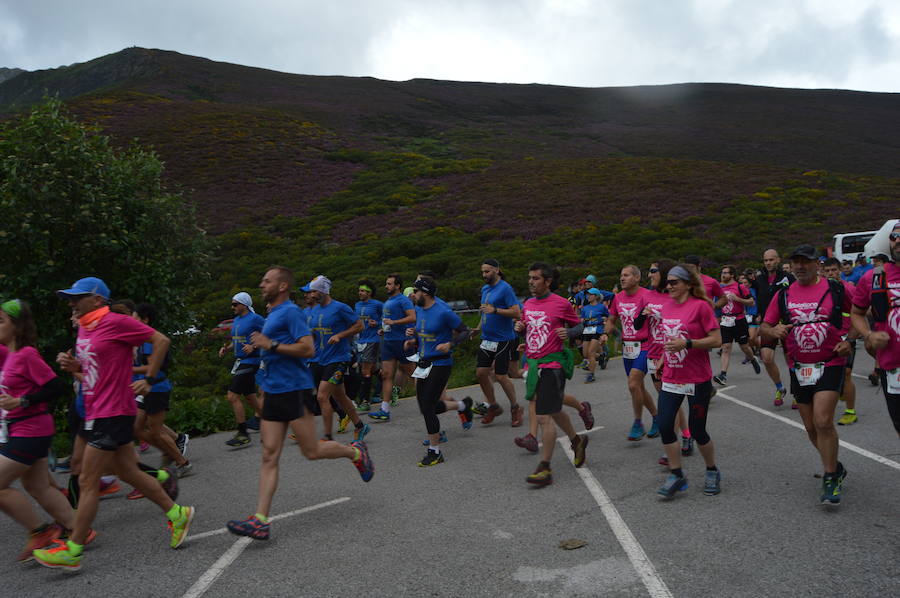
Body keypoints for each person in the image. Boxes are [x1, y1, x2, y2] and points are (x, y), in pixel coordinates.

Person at [35, 277, 194, 571]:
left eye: (77, 297)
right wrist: (75, 366)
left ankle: (73, 550)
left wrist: (149, 379)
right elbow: (97, 367)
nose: (71, 303)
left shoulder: (116, 321)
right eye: (70, 298)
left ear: (98, 299)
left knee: (87, 480)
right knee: (128, 472)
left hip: (113, 411)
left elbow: (161, 341)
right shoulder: (85, 327)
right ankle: (177, 513)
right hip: (95, 410)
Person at [227, 267, 373, 540]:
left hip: (293, 389)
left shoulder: (291, 312)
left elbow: (307, 348)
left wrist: (270, 345)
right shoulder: (273, 313)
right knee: (269, 454)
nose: (262, 284)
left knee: (312, 451)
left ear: (282, 286)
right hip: (273, 389)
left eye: (267, 281)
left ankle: (355, 453)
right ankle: (260, 520)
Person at [761, 246, 853, 505]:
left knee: (823, 421)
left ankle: (830, 476)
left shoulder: (836, 288)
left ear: (817, 265)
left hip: (831, 361)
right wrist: (773, 330)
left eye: (806, 262)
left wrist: (850, 340)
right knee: (811, 427)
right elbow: (765, 326)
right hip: (799, 367)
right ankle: (835, 465)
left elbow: (859, 312)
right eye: (796, 262)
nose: (800, 267)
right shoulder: (783, 295)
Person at [0, 299, 79, 562]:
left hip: (31, 428)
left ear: (17, 326)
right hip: (20, 428)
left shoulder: (26, 354)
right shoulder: (10, 355)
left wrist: (21, 401)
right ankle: (79, 530)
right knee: (38, 486)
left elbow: (55, 387)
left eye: (1, 321)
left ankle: (41, 532)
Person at [515, 262, 589, 487]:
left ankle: (545, 467)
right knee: (555, 411)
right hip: (533, 364)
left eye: (535, 278)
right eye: (530, 278)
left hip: (553, 365)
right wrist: (521, 330)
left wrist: (569, 332)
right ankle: (577, 441)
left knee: (544, 416)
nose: (531, 282)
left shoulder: (561, 303)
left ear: (547, 281)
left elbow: (580, 326)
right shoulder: (528, 303)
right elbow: (531, 329)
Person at [655, 266, 723, 498]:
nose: (669, 286)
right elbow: (669, 338)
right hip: (671, 377)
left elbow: (716, 340)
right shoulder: (666, 306)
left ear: (688, 284)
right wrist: (663, 358)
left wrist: (688, 344)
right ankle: (677, 474)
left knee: (697, 430)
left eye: (674, 282)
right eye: (668, 282)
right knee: (665, 425)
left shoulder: (701, 306)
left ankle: (712, 470)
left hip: (697, 379)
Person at [405, 277, 475, 465]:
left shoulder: (443, 312)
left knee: (428, 406)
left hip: (441, 363)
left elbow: (465, 331)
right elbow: (424, 332)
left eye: (416, 291)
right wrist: (414, 340)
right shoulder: (419, 309)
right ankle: (462, 406)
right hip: (423, 363)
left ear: (425, 293)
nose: (413, 295)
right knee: (425, 406)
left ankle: (435, 451)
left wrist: (450, 344)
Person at [131, 303, 192, 477]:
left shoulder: (149, 340)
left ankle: (182, 462)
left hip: (156, 388)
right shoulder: (142, 339)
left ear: (145, 320)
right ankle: (172, 450)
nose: (131, 323)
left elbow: (152, 367)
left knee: (156, 431)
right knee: (136, 427)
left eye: (134, 319)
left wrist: (128, 369)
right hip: (147, 389)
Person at [850, 222, 900, 437]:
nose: (898, 241)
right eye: (894, 237)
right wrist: (869, 335)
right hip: (893, 367)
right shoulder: (873, 277)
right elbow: (856, 313)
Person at [306, 276, 369, 441]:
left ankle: (327, 436)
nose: (311, 295)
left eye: (314, 291)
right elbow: (314, 333)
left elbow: (360, 326)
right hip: (320, 358)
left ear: (323, 291)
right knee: (340, 396)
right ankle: (360, 426)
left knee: (322, 396)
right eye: (311, 292)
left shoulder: (340, 308)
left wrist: (340, 335)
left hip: (339, 358)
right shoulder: (315, 310)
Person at [644, 260, 693, 464]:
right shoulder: (647, 295)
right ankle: (686, 434)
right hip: (653, 353)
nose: (650, 274)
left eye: (653, 271)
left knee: (670, 402)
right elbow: (639, 323)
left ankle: (672, 446)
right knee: (668, 401)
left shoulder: (675, 297)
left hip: (673, 355)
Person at [605, 265, 659, 441]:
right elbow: (612, 319)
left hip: (645, 345)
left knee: (633, 384)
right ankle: (656, 417)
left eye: (626, 275)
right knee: (638, 388)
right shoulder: (617, 298)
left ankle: (637, 423)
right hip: (628, 348)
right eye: (621, 275)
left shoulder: (647, 295)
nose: (622, 278)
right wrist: (606, 333)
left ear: (637, 277)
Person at [475, 259, 523, 426]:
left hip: (503, 339)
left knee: (501, 376)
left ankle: (515, 407)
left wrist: (495, 310)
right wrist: (478, 328)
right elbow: (485, 312)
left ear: (497, 270)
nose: (484, 275)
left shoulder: (505, 288)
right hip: (487, 338)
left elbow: (516, 313)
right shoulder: (485, 289)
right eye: (483, 272)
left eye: (487, 271)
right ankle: (493, 406)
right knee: (481, 373)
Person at [219, 292, 264, 448]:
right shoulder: (237, 320)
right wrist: (227, 348)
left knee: (232, 396)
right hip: (241, 361)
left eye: (235, 304)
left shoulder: (255, 319)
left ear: (244, 305)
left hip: (252, 360)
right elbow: (237, 340)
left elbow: (270, 335)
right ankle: (270, 421)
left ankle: (243, 433)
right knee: (250, 397)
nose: (232, 307)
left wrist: (253, 346)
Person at [753, 249, 795, 406]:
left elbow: (795, 297)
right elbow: (757, 297)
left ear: (778, 260)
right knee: (766, 357)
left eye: (771, 260)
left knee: (790, 359)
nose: (768, 263)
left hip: (786, 323)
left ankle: (797, 391)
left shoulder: (788, 277)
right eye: (766, 260)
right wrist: (758, 314)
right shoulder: (759, 279)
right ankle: (780, 387)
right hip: (768, 323)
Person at [823, 258, 860, 425]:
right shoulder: (822, 290)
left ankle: (850, 411)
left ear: (839, 271)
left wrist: (852, 337)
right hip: (828, 337)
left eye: (834, 270)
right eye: (827, 271)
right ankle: (839, 392)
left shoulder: (848, 288)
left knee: (846, 373)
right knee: (828, 373)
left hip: (846, 336)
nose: (831, 273)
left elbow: (859, 312)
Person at [713, 265, 761, 385]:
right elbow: (716, 304)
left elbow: (752, 302)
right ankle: (723, 375)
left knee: (744, 346)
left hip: (739, 320)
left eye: (725, 273)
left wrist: (738, 299)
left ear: (732, 275)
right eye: (722, 272)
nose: (723, 275)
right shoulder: (719, 288)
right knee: (726, 347)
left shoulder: (740, 287)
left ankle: (752, 359)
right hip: (725, 320)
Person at [376, 274, 416, 416]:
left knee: (412, 374)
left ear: (397, 286)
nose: (386, 286)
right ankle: (384, 409)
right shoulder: (388, 301)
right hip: (388, 342)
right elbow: (388, 320)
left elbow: (412, 317)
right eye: (386, 283)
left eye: (389, 284)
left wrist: (394, 322)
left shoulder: (403, 300)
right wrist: (383, 329)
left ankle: (429, 401)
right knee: (386, 375)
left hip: (402, 341)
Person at [353, 280, 383, 413]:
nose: (360, 293)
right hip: (360, 340)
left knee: (365, 370)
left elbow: (387, 318)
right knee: (371, 369)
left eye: (363, 291)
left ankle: (365, 401)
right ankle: (389, 384)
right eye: (359, 290)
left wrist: (377, 323)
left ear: (369, 292)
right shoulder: (357, 305)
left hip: (373, 339)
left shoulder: (377, 304)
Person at [580, 288, 609, 383]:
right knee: (585, 354)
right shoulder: (585, 308)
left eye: (590, 295)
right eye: (587, 295)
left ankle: (591, 375)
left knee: (591, 353)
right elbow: (582, 319)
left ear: (596, 296)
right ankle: (601, 356)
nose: (588, 296)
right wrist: (582, 320)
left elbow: (609, 317)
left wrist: (604, 330)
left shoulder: (601, 307)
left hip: (597, 330)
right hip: (587, 330)